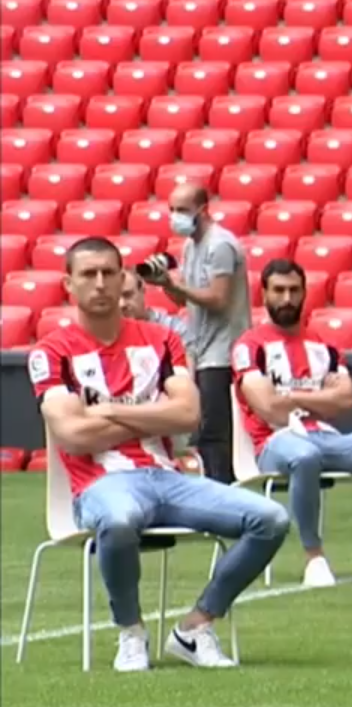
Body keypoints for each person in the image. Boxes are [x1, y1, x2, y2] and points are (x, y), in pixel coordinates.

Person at [27, 237, 289, 672]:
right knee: (119, 520)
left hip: (168, 478)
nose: (100, 283)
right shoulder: (52, 352)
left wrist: (107, 410)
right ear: (68, 284)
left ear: (123, 278)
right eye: (88, 274)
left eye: (109, 273)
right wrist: (153, 415)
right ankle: (131, 632)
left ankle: (195, 628)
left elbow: (188, 415)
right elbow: (72, 435)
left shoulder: (162, 340)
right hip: (100, 484)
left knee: (271, 519)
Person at [232, 259, 352, 587]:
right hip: (275, 442)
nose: (287, 298)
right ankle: (313, 558)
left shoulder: (323, 346)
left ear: (304, 293)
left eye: (294, 290)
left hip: (325, 437)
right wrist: (319, 397)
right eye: (279, 291)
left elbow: (346, 400)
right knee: (305, 456)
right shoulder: (249, 346)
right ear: (264, 294)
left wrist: (291, 396)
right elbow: (270, 409)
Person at [150, 181, 250, 484]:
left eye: (182, 210)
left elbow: (218, 299)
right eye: (172, 210)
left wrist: (177, 286)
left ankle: (225, 489)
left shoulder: (220, 245)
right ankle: (215, 487)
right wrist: (166, 284)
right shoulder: (190, 246)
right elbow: (184, 300)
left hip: (223, 349)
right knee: (205, 430)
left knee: (215, 431)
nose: (175, 216)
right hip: (201, 347)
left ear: (203, 210)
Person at [121, 272, 187, 336]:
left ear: (142, 290)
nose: (121, 304)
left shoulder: (172, 327)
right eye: (116, 298)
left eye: (127, 295)